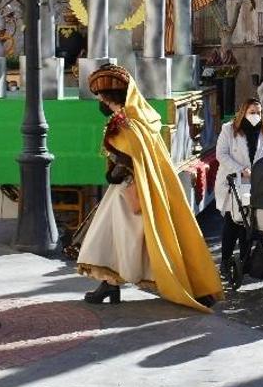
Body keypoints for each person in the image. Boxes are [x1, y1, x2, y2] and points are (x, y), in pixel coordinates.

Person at [76, 65, 223, 310]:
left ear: (108, 97)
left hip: (130, 191)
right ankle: (110, 284)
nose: (99, 100)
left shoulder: (125, 124)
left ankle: (186, 286)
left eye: (100, 96)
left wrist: (113, 173)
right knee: (137, 238)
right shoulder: (141, 118)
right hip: (144, 188)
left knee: (122, 238)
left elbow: (128, 158)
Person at [215, 98, 263, 282]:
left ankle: (244, 260)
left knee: (249, 225)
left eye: (258, 112)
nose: (255, 116)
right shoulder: (229, 129)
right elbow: (221, 154)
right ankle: (225, 262)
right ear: (243, 112)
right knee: (232, 223)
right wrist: (239, 169)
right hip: (233, 182)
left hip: (255, 184)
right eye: (252, 112)